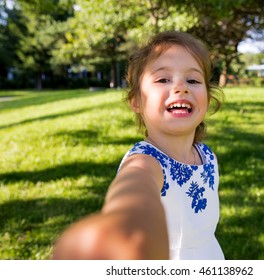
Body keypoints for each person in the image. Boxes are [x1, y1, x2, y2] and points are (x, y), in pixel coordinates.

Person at [52, 31, 224, 260]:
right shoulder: (145, 161)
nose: (181, 87)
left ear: (208, 100)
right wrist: (124, 221)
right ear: (136, 101)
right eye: (163, 79)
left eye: (193, 80)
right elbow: (135, 186)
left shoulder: (207, 156)